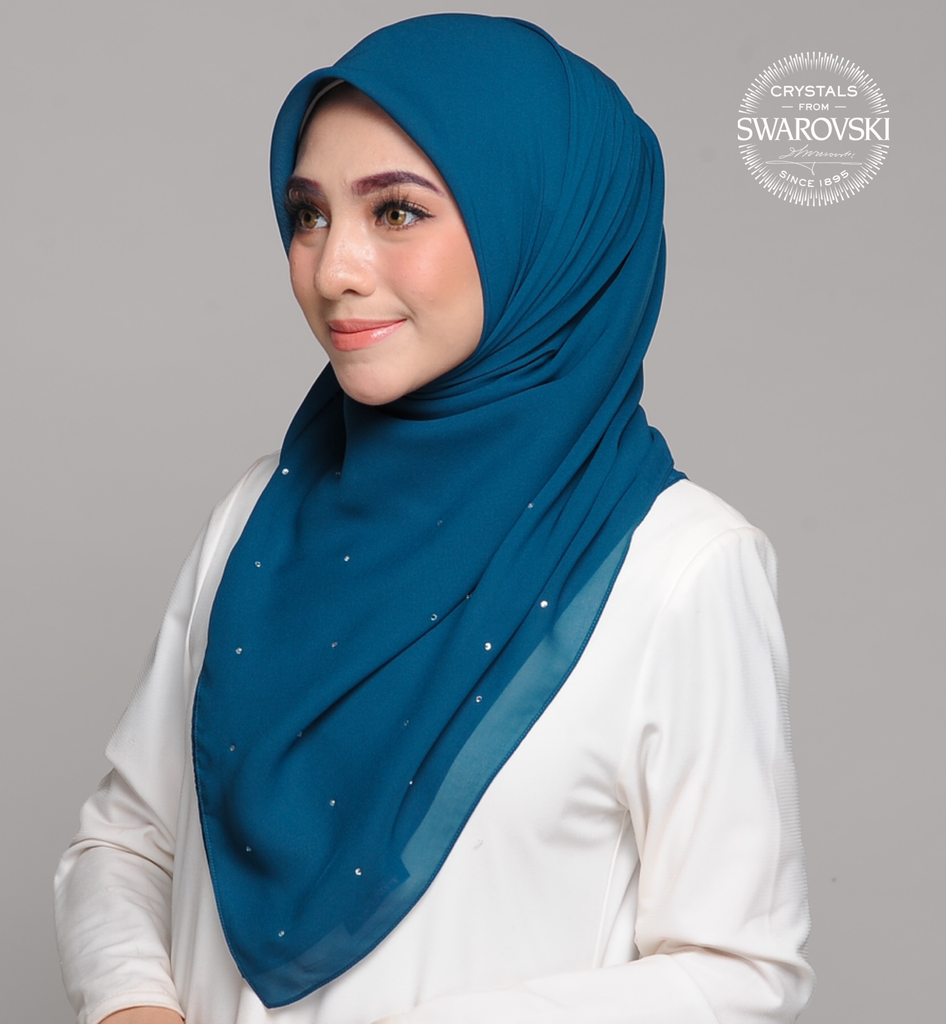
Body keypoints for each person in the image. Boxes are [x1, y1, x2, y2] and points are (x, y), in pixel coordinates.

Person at [55, 14, 814, 1024]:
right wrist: (131, 1004)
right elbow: (127, 840)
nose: (333, 269)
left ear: (540, 226)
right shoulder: (258, 517)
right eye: (308, 214)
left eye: (397, 212)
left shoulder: (680, 569)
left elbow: (739, 971)